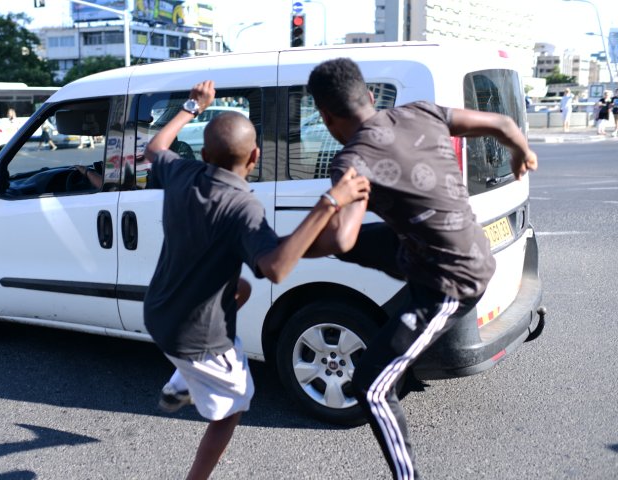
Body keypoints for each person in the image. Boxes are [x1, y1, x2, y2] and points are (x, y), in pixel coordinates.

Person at [305, 58, 538, 480]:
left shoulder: (352, 160)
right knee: (367, 241)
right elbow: (503, 124)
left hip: (453, 283)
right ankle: (407, 270)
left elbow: (341, 238)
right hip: (443, 248)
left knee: (371, 387)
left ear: (325, 117)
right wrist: (522, 153)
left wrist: (294, 247)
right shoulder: (422, 112)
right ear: (372, 98)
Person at [143, 80, 370, 480]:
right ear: (255, 157)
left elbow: (155, 148)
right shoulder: (243, 206)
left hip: (158, 311)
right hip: (195, 336)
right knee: (235, 407)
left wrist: (192, 107)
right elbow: (277, 267)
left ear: (204, 153)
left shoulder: (182, 173)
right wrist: (331, 201)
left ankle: (182, 378)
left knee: (241, 289)